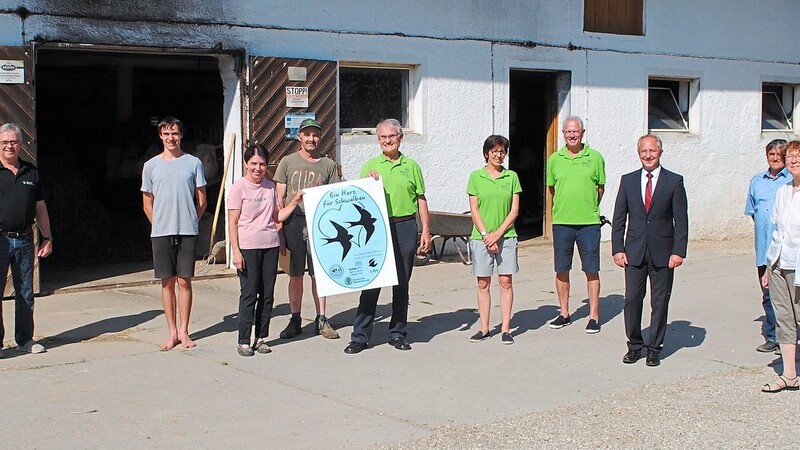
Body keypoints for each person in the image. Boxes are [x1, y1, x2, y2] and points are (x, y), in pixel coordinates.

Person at [344, 118, 432, 354]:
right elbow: (359, 198)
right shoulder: (370, 166)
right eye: (382, 137)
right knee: (371, 282)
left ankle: (397, 333)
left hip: (405, 226)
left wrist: (426, 229)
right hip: (377, 228)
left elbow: (421, 199)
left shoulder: (411, 166)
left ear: (400, 138)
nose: (387, 141)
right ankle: (360, 336)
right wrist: (366, 182)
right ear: (378, 140)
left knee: (401, 284)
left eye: (391, 136)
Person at [612, 134, 688, 367]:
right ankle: (635, 345)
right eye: (644, 151)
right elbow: (619, 217)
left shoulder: (674, 181)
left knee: (659, 303)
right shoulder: (628, 180)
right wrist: (617, 248)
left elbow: (681, 220)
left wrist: (678, 251)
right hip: (634, 252)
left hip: (663, 253)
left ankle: (655, 348)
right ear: (638, 153)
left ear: (660, 153)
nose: (648, 155)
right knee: (632, 301)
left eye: (652, 151)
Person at [228, 145, 304, 356]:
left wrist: (295, 202)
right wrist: (236, 251)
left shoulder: (270, 187)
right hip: (248, 248)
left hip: (269, 246)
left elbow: (277, 217)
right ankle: (244, 340)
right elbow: (232, 223)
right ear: (246, 164)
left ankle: (261, 337)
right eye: (253, 164)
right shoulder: (238, 188)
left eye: (262, 164)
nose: (258, 168)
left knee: (267, 295)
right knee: (249, 294)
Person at [141, 117, 207, 350]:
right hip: (161, 232)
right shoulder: (150, 166)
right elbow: (147, 202)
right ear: (160, 135)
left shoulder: (193, 163)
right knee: (167, 283)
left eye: (175, 133)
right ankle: (171, 332)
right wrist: (157, 223)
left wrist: (191, 219)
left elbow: (201, 199)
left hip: (187, 231)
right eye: (167, 133)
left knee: (184, 282)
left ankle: (184, 331)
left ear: (181, 136)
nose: (171, 138)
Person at [274, 118, 341, 340]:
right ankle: (295, 319)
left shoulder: (328, 165)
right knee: (295, 275)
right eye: (307, 134)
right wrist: (280, 230)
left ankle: (321, 319)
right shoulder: (287, 162)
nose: (311, 139)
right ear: (299, 137)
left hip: (319, 225)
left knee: (318, 275)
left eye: (315, 135)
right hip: (294, 222)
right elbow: (279, 199)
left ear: (319, 138)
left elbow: (334, 199)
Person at [546, 116, 606, 333]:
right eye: (568, 132)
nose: (572, 135)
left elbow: (600, 188)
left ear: (582, 132)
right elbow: (552, 189)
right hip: (562, 223)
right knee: (561, 269)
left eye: (575, 131)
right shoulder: (554, 159)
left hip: (589, 224)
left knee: (591, 270)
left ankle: (594, 316)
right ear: (563, 133)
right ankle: (564, 313)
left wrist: (588, 207)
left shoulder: (595, 158)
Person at [0, 123, 53, 357]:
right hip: (0, 240)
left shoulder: (31, 172)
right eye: (5, 143)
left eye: (14, 142)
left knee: (25, 292)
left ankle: (25, 339)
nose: (9, 146)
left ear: (21, 144)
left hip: (24, 240)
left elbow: (40, 207)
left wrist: (47, 237)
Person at [466, 135, 521, 345]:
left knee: (505, 281)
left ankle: (506, 329)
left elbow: (514, 210)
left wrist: (498, 234)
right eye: (494, 151)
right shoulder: (476, 177)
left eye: (502, 151)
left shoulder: (512, 177)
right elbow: (474, 209)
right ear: (486, 153)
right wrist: (486, 235)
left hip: (506, 237)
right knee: (483, 283)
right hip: (482, 238)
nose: (498, 155)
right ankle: (484, 327)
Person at [760, 140, 800, 392]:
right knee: (784, 319)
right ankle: (789, 375)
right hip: (778, 263)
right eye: (790, 157)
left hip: (798, 265)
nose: (794, 161)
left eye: (798, 156)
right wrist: (767, 266)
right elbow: (776, 231)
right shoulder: (783, 191)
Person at [745, 139, 788, 354]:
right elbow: (754, 213)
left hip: (786, 250)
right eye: (771, 153)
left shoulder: (792, 181)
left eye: (779, 153)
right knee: (768, 294)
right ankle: (773, 336)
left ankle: (789, 339)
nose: (775, 157)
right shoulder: (756, 181)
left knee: (787, 296)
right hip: (764, 250)